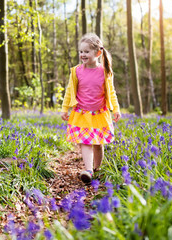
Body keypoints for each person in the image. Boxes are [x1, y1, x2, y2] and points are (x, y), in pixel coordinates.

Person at [61, 33, 121, 184]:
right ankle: (88, 170)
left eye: (86, 51)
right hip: (82, 113)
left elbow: (111, 92)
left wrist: (116, 109)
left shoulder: (105, 72)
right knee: (85, 141)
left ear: (98, 53)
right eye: (81, 51)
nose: (82, 54)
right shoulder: (76, 71)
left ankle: (97, 169)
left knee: (98, 144)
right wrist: (65, 108)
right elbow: (69, 91)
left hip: (99, 114)